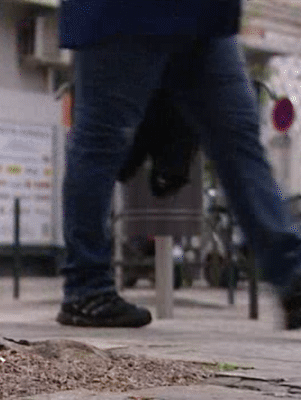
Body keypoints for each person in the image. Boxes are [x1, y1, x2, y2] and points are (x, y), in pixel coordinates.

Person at [57, 0, 301, 329]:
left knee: (238, 138)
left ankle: (292, 276)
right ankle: (86, 287)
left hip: (205, 18)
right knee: (102, 139)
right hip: (124, 13)